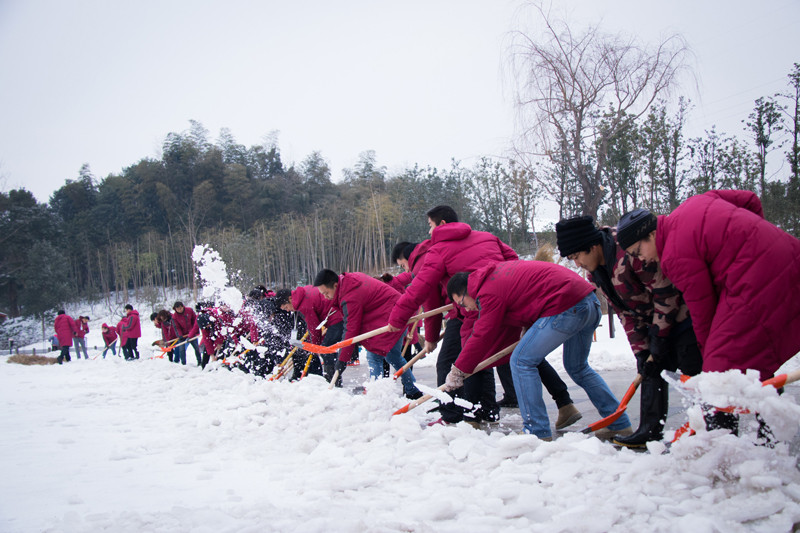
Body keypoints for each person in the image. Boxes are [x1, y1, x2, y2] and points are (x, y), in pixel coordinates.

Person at [618, 191, 800, 433]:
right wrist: (756, 234)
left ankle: (722, 440)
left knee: (717, 370)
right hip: (789, 252)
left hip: (757, 278)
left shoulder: (673, 255)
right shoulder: (695, 202)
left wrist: (708, 356)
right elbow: (750, 200)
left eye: (637, 252)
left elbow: (702, 309)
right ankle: (769, 429)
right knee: (753, 355)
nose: (640, 259)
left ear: (651, 234)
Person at [387, 205, 579, 426]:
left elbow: (422, 292)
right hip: (503, 301)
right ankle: (561, 402)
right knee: (519, 353)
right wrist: (503, 290)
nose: (428, 232)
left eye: (430, 226)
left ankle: (456, 416)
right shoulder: (487, 236)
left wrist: (399, 321)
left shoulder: (435, 251)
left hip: (472, 307)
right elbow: (512, 259)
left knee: (458, 358)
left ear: (441, 225)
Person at [555, 215, 702, 448]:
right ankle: (649, 430)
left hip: (685, 318)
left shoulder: (630, 252)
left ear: (592, 246)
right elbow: (626, 314)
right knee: (649, 369)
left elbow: (667, 294)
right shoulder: (597, 272)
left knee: (694, 373)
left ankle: (711, 428)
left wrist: (659, 338)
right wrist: (642, 350)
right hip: (654, 321)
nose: (577, 264)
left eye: (577, 256)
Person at [445, 261, 633, 441]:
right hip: (588, 302)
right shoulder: (495, 276)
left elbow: (482, 334)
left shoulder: (487, 292)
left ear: (465, 291)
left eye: (461, 304)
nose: (466, 309)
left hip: (566, 305)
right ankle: (619, 423)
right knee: (577, 367)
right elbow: (527, 296)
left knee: (521, 361)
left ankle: (536, 429)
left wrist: (459, 370)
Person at [314, 268, 422, 399]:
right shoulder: (348, 281)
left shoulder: (350, 295)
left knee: (374, 357)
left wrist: (342, 359)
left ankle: (376, 395)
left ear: (335, 285)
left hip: (392, 317)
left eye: (326, 293)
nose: (325, 297)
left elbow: (351, 328)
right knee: (393, 357)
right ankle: (412, 389)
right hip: (394, 313)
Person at [277, 286, 344, 385]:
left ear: (290, 299)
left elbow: (314, 327)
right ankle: (333, 379)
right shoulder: (302, 294)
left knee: (326, 350)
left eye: (286, 307)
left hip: (337, 316)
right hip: (335, 315)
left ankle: (333, 382)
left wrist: (314, 346)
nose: (288, 310)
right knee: (328, 349)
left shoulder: (303, 304)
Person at [172, 301, 201, 366]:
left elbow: (195, 321)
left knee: (196, 348)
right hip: (183, 335)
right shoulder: (174, 316)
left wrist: (195, 331)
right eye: (177, 309)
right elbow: (176, 327)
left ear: (183, 306)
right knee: (182, 349)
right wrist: (180, 335)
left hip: (192, 333)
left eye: (180, 308)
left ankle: (199, 361)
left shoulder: (189, 310)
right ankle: (183, 363)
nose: (179, 310)